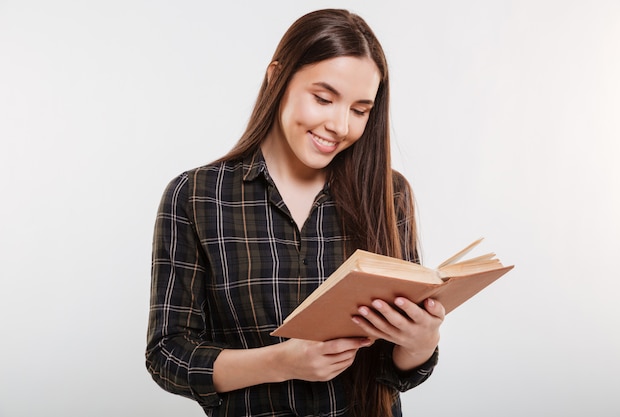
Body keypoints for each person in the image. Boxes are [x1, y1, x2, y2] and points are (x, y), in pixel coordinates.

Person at [146, 8, 445, 417]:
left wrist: (421, 343)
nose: (340, 125)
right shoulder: (196, 195)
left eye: (359, 110)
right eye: (323, 98)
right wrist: (281, 362)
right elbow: (167, 355)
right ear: (277, 78)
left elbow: (396, 370)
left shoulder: (389, 194)